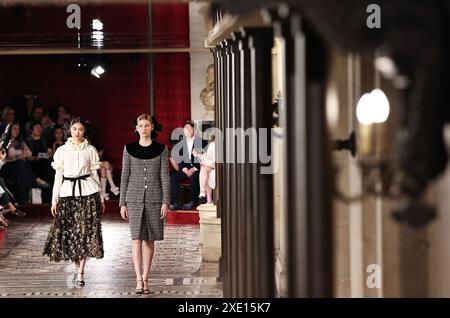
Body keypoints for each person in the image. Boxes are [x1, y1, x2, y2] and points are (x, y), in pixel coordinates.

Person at [42, 117, 105, 287]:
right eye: (75, 129)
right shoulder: (62, 150)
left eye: (81, 129)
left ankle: (81, 272)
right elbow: (58, 177)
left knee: (85, 231)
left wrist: (100, 197)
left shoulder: (90, 149)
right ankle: (77, 265)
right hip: (67, 193)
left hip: (88, 193)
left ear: (85, 131)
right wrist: (54, 200)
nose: (78, 132)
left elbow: (94, 175)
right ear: (69, 130)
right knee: (71, 232)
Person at [119, 114, 170, 294]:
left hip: (155, 200)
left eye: (147, 125)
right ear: (136, 128)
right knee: (136, 239)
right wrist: (122, 203)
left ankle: (146, 277)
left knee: (149, 239)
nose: (144, 128)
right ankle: (138, 279)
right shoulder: (129, 149)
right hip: (133, 199)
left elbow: (165, 176)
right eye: (140, 125)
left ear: (152, 128)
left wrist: (166, 201)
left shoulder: (162, 149)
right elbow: (125, 176)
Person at [170, 120, 207, 210]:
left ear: (194, 130)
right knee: (173, 178)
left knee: (194, 177)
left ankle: (193, 202)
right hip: (185, 169)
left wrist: (194, 169)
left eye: (189, 129)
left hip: (197, 169)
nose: (186, 131)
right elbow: (180, 160)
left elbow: (204, 159)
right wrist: (184, 169)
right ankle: (177, 202)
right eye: (185, 129)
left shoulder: (202, 142)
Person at [193, 135, 215, 205]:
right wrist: (199, 155)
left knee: (204, 169)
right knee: (204, 170)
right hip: (211, 165)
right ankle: (208, 199)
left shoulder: (215, 144)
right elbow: (208, 158)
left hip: (218, 164)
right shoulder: (211, 144)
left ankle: (202, 192)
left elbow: (214, 158)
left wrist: (200, 156)